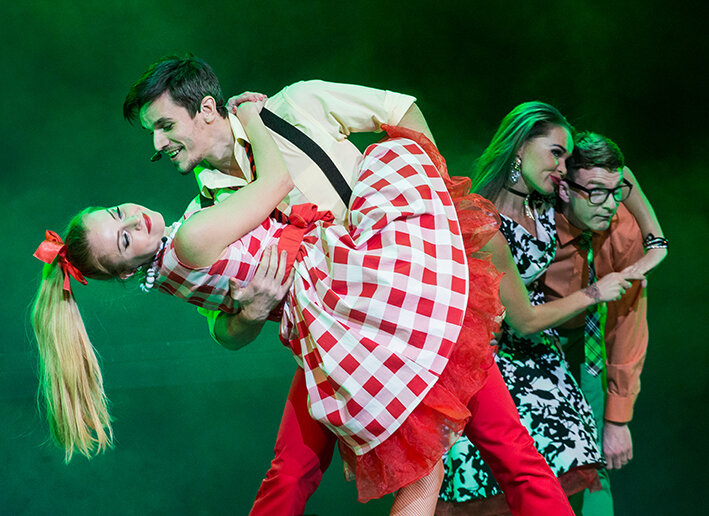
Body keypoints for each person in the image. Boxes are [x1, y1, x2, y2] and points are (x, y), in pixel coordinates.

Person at [33, 97, 579, 515]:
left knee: (299, 473)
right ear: (126, 271)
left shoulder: (194, 224)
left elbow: (398, 109)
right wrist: (256, 117)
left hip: (356, 322)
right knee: (459, 462)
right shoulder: (196, 225)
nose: (158, 145)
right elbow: (275, 191)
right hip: (358, 323)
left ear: (204, 110)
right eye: (123, 238)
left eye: (118, 212)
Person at [437, 103, 656, 515]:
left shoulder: (543, 201)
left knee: (566, 463)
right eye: (556, 153)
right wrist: (596, 292)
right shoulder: (484, 223)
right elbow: (523, 320)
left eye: (567, 158)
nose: (563, 167)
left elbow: (619, 175)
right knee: (490, 481)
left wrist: (656, 240)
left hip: (543, 359)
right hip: (497, 359)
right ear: (520, 146)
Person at [541, 131, 660, 515]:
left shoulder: (622, 227)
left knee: (592, 469)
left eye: (614, 192)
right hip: (525, 347)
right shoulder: (533, 220)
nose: (608, 205)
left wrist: (617, 418)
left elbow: (628, 318)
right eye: (595, 192)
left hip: (584, 346)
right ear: (564, 189)